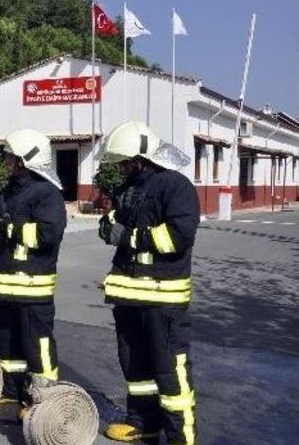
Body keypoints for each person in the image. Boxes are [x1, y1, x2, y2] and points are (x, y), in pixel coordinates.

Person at [97, 122, 199, 444]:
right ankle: (143, 423)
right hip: (128, 296)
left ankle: (181, 438)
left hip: (162, 298)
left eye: (125, 163)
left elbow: (178, 236)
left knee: (169, 372)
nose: (121, 169)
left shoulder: (175, 186)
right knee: (135, 366)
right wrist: (108, 224)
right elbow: (119, 220)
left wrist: (129, 237)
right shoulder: (128, 188)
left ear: (141, 159)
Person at [0, 129, 67, 417]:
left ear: (24, 160)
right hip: (5, 287)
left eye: (9, 158)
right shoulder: (7, 193)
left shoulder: (47, 193)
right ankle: (12, 392)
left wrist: (7, 229)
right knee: (7, 343)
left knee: (37, 347)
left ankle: (44, 399)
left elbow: (48, 233)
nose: (5, 163)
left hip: (32, 288)